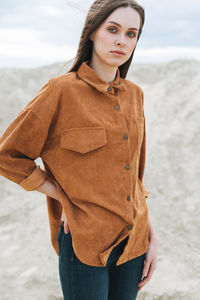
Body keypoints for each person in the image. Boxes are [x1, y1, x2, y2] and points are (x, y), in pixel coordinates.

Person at [0, 0, 158, 299]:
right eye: (113, 29)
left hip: (133, 241)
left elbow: (134, 176)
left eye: (131, 34)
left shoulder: (134, 95)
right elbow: (7, 156)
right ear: (92, 32)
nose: (121, 41)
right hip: (84, 242)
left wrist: (151, 235)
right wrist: (62, 195)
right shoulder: (61, 90)